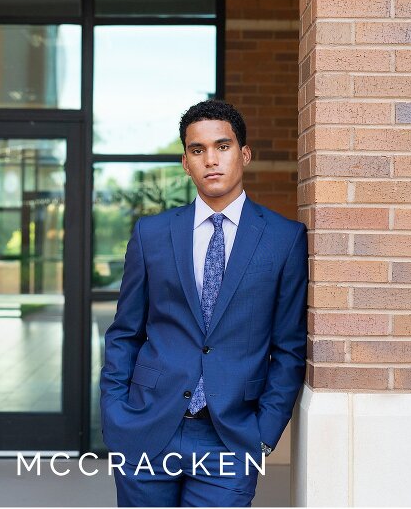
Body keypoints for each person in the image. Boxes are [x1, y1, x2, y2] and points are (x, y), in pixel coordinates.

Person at [100, 99, 307, 507]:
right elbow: (124, 332)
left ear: (244, 154)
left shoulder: (284, 239)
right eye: (198, 150)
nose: (211, 159)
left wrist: (263, 435)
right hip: (147, 428)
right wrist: (116, 417)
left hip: (230, 437)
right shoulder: (152, 234)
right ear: (185, 162)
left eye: (222, 146)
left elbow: (289, 348)